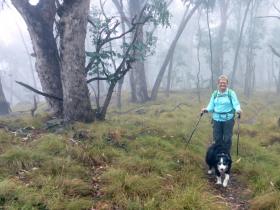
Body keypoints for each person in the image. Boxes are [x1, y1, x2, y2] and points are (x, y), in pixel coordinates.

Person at [201, 75, 242, 153]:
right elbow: (211, 105)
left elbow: (236, 104)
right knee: (217, 138)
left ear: (227, 84)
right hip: (216, 120)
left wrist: (238, 109)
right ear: (218, 84)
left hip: (228, 120)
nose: (222, 84)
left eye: (224, 83)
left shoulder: (231, 93)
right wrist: (206, 109)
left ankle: (226, 155)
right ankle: (218, 155)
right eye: (221, 83)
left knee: (227, 139)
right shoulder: (215, 94)